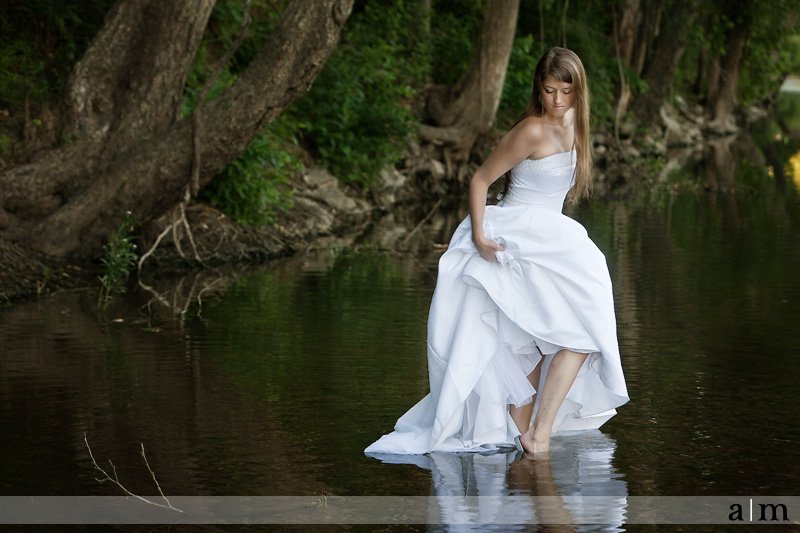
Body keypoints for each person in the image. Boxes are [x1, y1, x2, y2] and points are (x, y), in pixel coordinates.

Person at [365, 47, 629, 457]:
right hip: (516, 234)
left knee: (569, 337)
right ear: (538, 89)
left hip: (552, 238)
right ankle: (532, 437)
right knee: (556, 339)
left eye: (566, 92)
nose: (557, 101)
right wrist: (481, 236)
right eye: (548, 90)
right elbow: (480, 180)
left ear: (579, 92)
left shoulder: (577, 125)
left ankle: (530, 435)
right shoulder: (532, 130)